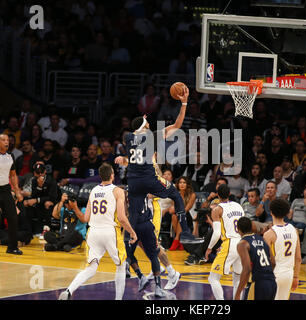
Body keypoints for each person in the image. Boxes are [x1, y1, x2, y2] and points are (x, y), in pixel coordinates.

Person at [115, 85, 202, 244]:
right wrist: (183, 103)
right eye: (146, 121)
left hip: (134, 182)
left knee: (133, 214)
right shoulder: (152, 136)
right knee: (176, 194)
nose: (148, 122)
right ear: (144, 126)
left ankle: (128, 239)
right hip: (149, 179)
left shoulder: (127, 138)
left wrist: (124, 159)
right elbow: (177, 125)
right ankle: (185, 233)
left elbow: (136, 157)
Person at [58, 163, 137, 300]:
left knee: (91, 268)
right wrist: (132, 232)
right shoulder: (118, 191)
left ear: (100, 176)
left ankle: (69, 291)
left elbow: (85, 218)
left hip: (93, 232)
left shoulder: (93, 190)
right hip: (110, 231)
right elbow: (122, 218)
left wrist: (75, 208)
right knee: (121, 265)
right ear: (112, 175)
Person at [205, 184, 245, 300]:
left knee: (213, 278)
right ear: (229, 194)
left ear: (217, 195)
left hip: (230, 242)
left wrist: (209, 248)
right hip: (242, 242)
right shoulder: (238, 206)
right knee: (237, 278)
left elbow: (217, 233)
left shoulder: (217, 209)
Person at [263, 199, 301, 300]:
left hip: (275, 274)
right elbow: (298, 258)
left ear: (271, 212)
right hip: (289, 274)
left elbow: (266, 260)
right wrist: (296, 277)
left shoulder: (269, 234)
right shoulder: (294, 229)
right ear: (286, 212)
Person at [234, 217, 277, 300]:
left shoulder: (243, 244)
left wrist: (238, 293)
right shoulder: (263, 239)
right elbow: (273, 262)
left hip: (258, 283)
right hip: (272, 282)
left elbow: (247, 269)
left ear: (238, 229)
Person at [0, 134, 24, 254]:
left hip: (5, 190)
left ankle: (12, 247)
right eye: (3, 140)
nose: (6, 142)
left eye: (8, 140)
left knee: (13, 217)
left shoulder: (10, 156)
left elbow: (13, 175)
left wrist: (17, 191)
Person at [169, 176, 196, 250]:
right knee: (174, 216)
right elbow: (171, 210)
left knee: (180, 215)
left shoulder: (192, 195)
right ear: (177, 184)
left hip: (188, 217)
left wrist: (177, 210)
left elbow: (186, 209)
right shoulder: (175, 194)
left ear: (187, 184)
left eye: (184, 182)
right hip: (178, 216)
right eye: (180, 182)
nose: (182, 184)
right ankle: (180, 240)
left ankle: (176, 239)